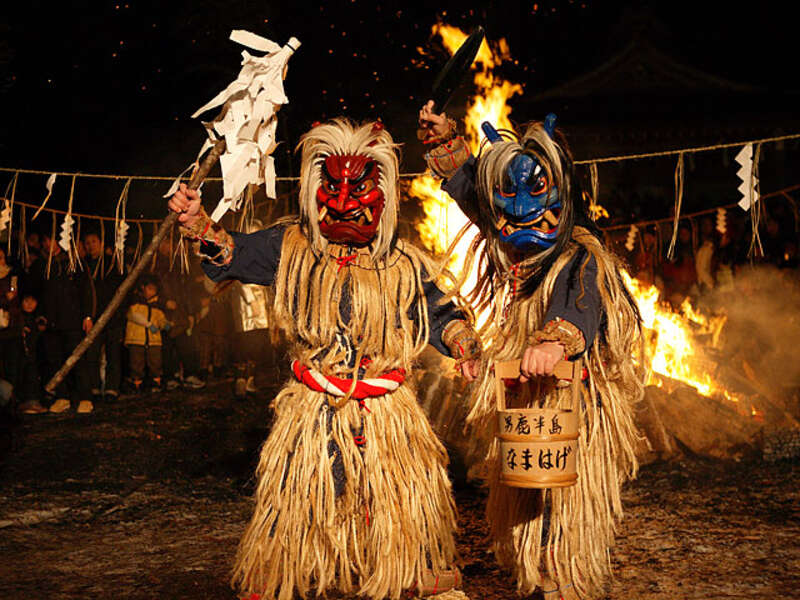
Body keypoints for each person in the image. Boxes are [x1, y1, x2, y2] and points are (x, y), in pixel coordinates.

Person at [170, 118, 480, 600]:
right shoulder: (290, 246)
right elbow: (233, 253)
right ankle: (280, 569)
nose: (343, 200)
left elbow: (440, 312)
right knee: (300, 494)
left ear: (384, 193)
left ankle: (410, 565)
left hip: (385, 409)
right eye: (331, 186)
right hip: (315, 404)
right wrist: (199, 224)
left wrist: (465, 345)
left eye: (357, 188)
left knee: (398, 493)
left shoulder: (403, 263)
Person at [418, 102, 643, 600]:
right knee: (524, 495)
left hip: (575, 402)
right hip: (525, 395)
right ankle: (537, 577)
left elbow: (585, 303)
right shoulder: (514, 251)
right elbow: (480, 200)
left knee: (566, 504)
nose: (520, 208)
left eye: (536, 191)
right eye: (508, 196)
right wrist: (444, 142)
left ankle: (566, 579)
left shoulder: (580, 253)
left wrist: (555, 338)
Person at [82, 231, 125, 401]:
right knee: (92, 354)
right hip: (93, 317)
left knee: (113, 353)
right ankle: (93, 386)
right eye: (87, 242)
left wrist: (118, 312)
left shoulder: (112, 263)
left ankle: (112, 388)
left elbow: (122, 290)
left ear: (101, 243)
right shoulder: (84, 265)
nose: (90, 245)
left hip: (113, 316)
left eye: (94, 241)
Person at [124, 274, 169, 393]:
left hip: (154, 340)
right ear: (143, 288)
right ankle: (137, 383)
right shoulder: (135, 302)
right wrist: (149, 325)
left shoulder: (156, 305)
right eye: (150, 289)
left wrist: (164, 324)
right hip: (136, 339)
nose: (152, 292)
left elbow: (160, 318)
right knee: (136, 363)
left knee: (155, 362)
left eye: (154, 290)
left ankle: (156, 382)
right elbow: (133, 315)